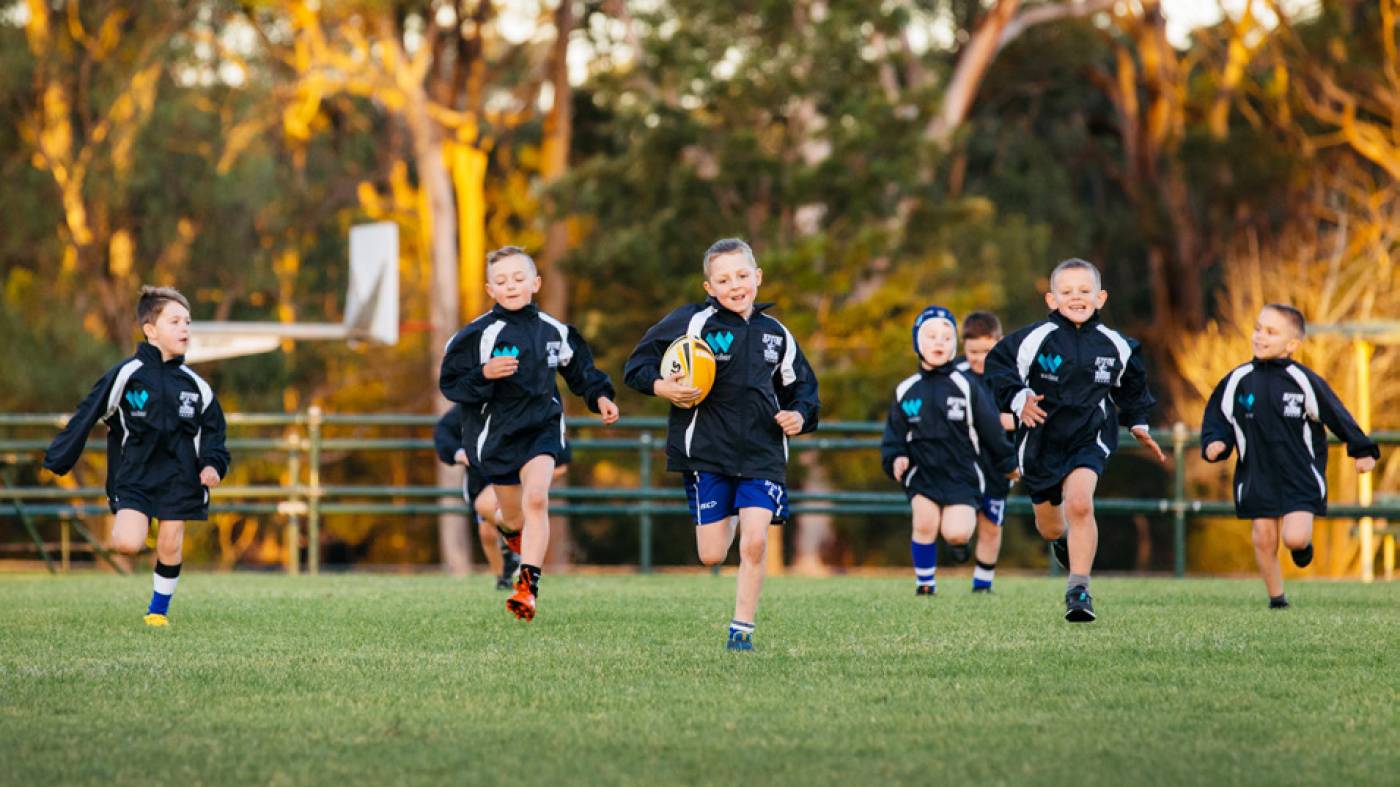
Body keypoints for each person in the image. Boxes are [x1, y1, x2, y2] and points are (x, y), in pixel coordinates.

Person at [623, 238, 819, 651]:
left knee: (755, 540)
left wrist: (800, 415)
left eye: (743, 276)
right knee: (712, 554)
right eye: (724, 279)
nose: (735, 285)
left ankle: (741, 630)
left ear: (758, 277)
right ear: (708, 287)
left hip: (763, 453)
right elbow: (636, 365)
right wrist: (663, 387)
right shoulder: (692, 323)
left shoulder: (776, 334)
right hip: (707, 453)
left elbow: (804, 388)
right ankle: (732, 512)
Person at [440, 246, 619, 621]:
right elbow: (450, 383)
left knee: (536, 498)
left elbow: (580, 370)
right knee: (514, 517)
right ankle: (513, 537)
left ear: (535, 283)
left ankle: (527, 587)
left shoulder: (555, 331)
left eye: (519, 279)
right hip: (497, 438)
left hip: (541, 430)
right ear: (490, 290)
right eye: (502, 281)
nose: (511, 286)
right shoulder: (478, 335)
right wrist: (484, 374)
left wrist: (600, 395)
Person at [984, 258, 1164, 622]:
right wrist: (1019, 400)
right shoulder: (1034, 339)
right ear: (1052, 300)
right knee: (1049, 526)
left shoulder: (1117, 345)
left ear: (1100, 298)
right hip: (1040, 441)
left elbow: (1132, 386)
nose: (1076, 297)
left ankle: (1078, 590)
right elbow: (998, 366)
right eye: (1067, 292)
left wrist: (1138, 421)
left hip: (1089, 436)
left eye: (1084, 291)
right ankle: (1064, 541)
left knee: (1080, 503)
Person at [44, 286, 229, 627]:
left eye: (187, 321)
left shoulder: (196, 386)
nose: (185, 328)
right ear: (150, 329)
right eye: (175, 321)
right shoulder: (126, 375)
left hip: (180, 477)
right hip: (136, 476)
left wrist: (213, 464)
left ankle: (157, 612)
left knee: (171, 543)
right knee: (127, 544)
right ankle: (139, 524)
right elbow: (88, 412)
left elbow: (215, 431)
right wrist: (60, 456)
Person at [1200, 304, 1379, 608]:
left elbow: (1336, 414)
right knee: (1263, 536)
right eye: (1258, 328)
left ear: (1292, 344)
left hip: (1300, 476)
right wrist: (1215, 443)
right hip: (1257, 474)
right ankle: (1277, 598)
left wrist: (1362, 449)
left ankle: (1302, 547)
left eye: (1270, 332)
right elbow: (1218, 417)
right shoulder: (1238, 380)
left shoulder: (1303, 381)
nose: (1260, 336)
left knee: (1293, 538)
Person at [883, 306, 1017, 596]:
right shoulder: (906, 389)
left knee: (956, 532)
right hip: (923, 473)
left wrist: (1009, 461)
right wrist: (895, 457)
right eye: (930, 336)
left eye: (946, 337)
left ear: (952, 344)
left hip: (962, 475)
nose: (938, 342)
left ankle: (961, 548)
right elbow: (894, 434)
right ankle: (925, 585)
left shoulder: (966, 386)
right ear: (917, 342)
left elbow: (991, 429)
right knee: (924, 521)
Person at [956, 311, 1017, 593]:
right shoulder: (955, 376)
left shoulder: (1013, 376)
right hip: (961, 463)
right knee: (959, 520)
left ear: (1000, 343)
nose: (980, 358)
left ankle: (982, 585)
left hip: (998, 461)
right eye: (973, 352)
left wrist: (1011, 420)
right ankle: (958, 541)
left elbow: (1035, 412)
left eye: (987, 351)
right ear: (963, 348)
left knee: (991, 525)